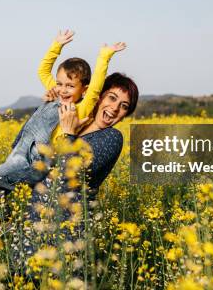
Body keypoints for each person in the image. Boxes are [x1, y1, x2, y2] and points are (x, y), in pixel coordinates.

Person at [0, 32, 126, 256]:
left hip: (37, 162)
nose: (63, 90)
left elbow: (96, 87)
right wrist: (56, 46)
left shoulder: (81, 108)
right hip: (20, 153)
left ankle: (1, 222)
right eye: (60, 83)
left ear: (83, 90)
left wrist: (105, 56)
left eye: (70, 86)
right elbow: (42, 71)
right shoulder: (55, 94)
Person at [20, 73, 139, 261]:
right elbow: (26, 148)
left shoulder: (111, 137)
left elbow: (67, 173)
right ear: (98, 96)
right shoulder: (71, 119)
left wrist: (68, 133)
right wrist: (46, 108)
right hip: (34, 222)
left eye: (124, 106)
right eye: (112, 98)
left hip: (66, 233)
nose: (115, 108)